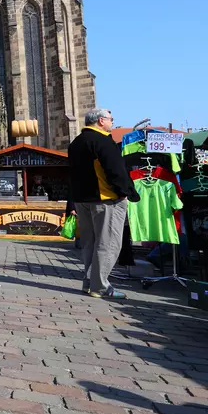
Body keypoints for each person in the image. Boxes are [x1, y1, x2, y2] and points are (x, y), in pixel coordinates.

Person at [68, 108, 140, 299]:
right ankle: (100, 286)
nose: (112, 122)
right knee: (108, 243)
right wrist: (126, 193)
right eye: (110, 119)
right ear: (101, 121)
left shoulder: (76, 142)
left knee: (90, 243)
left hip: (82, 199)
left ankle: (89, 283)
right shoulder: (102, 140)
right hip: (106, 198)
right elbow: (116, 170)